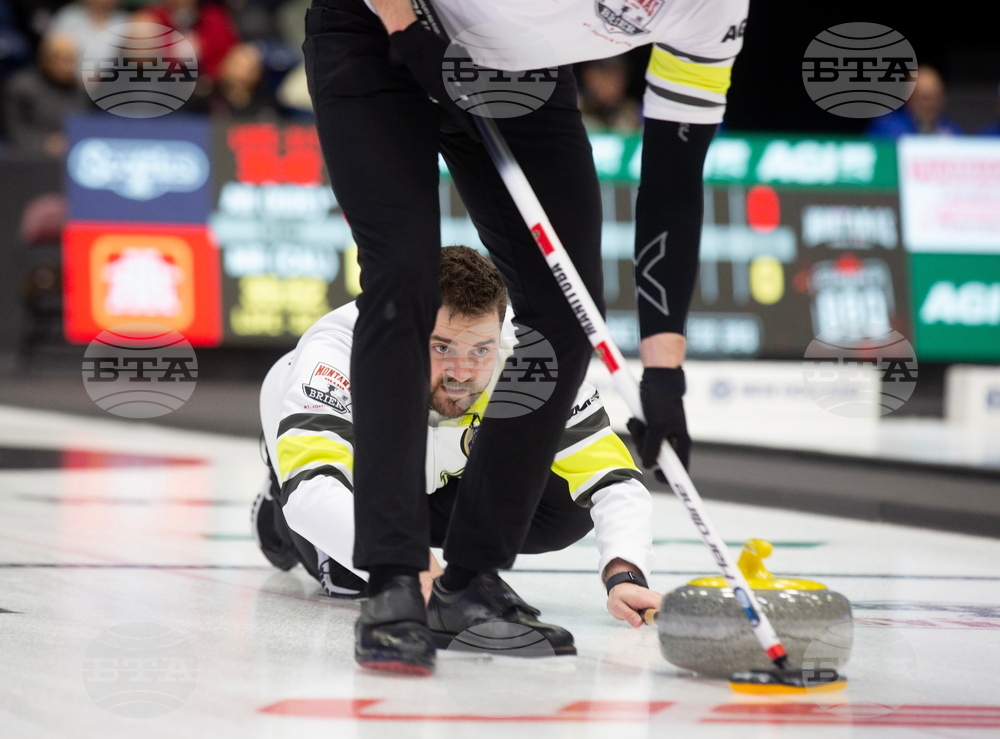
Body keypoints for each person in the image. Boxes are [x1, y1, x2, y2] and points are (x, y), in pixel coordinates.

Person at [304, 0, 747, 673]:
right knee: (404, 282)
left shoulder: (714, 14)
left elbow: (673, 184)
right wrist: (405, 28)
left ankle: (469, 578)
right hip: (380, 29)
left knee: (567, 312)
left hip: (519, 66)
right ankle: (394, 579)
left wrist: (665, 375)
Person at [253, 246, 660, 672]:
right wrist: (421, 577)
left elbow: (613, 478)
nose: (461, 373)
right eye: (442, 346)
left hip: (446, 477)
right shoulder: (336, 352)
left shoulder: (526, 354)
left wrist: (624, 573)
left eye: (481, 350)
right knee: (352, 581)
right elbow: (313, 487)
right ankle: (272, 509)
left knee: (565, 508)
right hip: (354, 474)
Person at [3, 32, 91, 156]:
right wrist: (44, 143)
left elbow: (87, 128)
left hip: (71, 155)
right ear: (46, 59)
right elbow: (12, 130)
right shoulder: (21, 87)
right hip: (27, 157)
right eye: (63, 60)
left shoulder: (80, 92)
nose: (68, 67)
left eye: (72, 60)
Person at [866, 65, 962, 138]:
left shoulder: (952, 132)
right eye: (925, 98)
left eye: (937, 97)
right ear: (909, 99)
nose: (931, 104)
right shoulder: (885, 129)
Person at [577, 57, 641, 134]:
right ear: (588, 74)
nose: (614, 82)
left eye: (618, 75)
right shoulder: (574, 107)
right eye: (606, 73)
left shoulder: (632, 111)